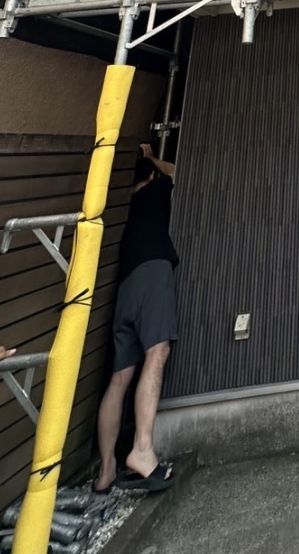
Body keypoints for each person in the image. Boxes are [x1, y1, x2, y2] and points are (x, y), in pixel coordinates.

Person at [94, 143, 178, 493]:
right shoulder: (156, 190)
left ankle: (106, 471)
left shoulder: (126, 206)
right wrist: (152, 157)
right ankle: (142, 451)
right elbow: (176, 170)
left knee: (119, 378)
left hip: (126, 282)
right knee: (157, 351)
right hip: (152, 271)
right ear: (150, 176)